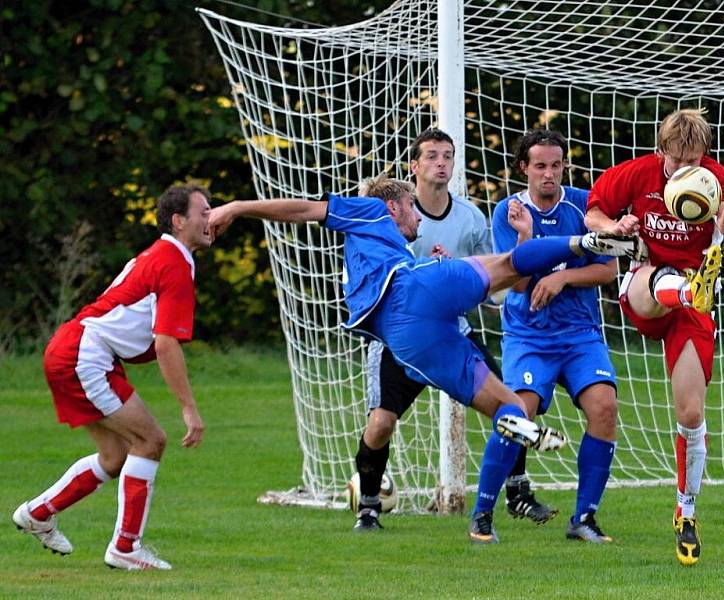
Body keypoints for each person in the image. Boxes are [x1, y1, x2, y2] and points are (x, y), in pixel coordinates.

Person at [209, 174, 639, 543]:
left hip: (412, 341)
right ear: (394, 206)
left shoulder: (379, 247)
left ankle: (482, 523)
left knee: (509, 408)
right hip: (410, 293)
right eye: (413, 209)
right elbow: (303, 209)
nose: (418, 217)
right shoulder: (371, 211)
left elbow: (510, 288)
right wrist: (237, 206)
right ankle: (586, 241)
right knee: (507, 262)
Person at [584, 108, 724, 565]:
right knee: (650, 284)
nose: (687, 168)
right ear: (662, 150)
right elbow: (594, 213)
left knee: (692, 413)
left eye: (695, 159)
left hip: (693, 309)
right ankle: (687, 287)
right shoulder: (636, 174)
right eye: (678, 160)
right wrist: (615, 227)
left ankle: (686, 511)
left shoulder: (714, 176)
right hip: (647, 286)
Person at [12, 185, 213, 571]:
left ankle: (38, 513)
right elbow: (166, 344)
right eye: (203, 211)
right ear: (178, 220)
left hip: (74, 348)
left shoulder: (167, 254)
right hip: (84, 355)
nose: (211, 218)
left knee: (116, 455)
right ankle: (125, 547)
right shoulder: (174, 262)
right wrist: (189, 409)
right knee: (150, 440)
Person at [358, 128, 505, 534]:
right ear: (415, 165)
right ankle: (368, 506)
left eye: (448, 155)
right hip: (399, 341)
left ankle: (518, 490)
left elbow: (486, 277)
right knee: (381, 423)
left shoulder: (471, 218)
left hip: (452, 334)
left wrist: (460, 275)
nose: (442, 163)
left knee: (510, 404)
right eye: (432, 155)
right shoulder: (389, 215)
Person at [492, 129, 619, 543]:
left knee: (604, 407)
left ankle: (584, 518)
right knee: (518, 414)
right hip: (529, 335)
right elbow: (513, 284)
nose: (549, 173)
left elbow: (608, 270)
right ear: (524, 168)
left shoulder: (584, 205)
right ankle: (489, 507)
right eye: (540, 166)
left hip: (580, 334)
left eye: (556, 165)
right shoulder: (507, 212)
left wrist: (564, 277)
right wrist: (527, 239)